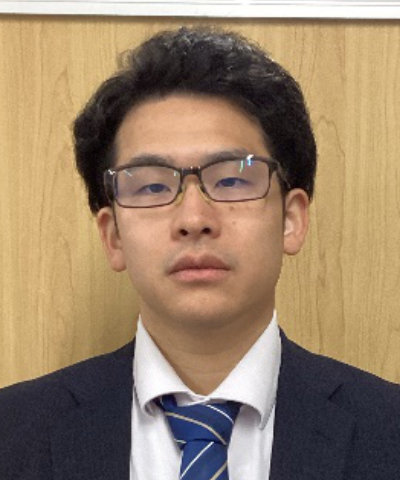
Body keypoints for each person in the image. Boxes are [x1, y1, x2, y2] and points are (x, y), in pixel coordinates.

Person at [0, 26, 399, 480]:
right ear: (113, 237)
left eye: (231, 179)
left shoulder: (388, 430)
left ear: (291, 219)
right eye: (152, 186)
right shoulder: (12, 433)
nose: (193, 217)